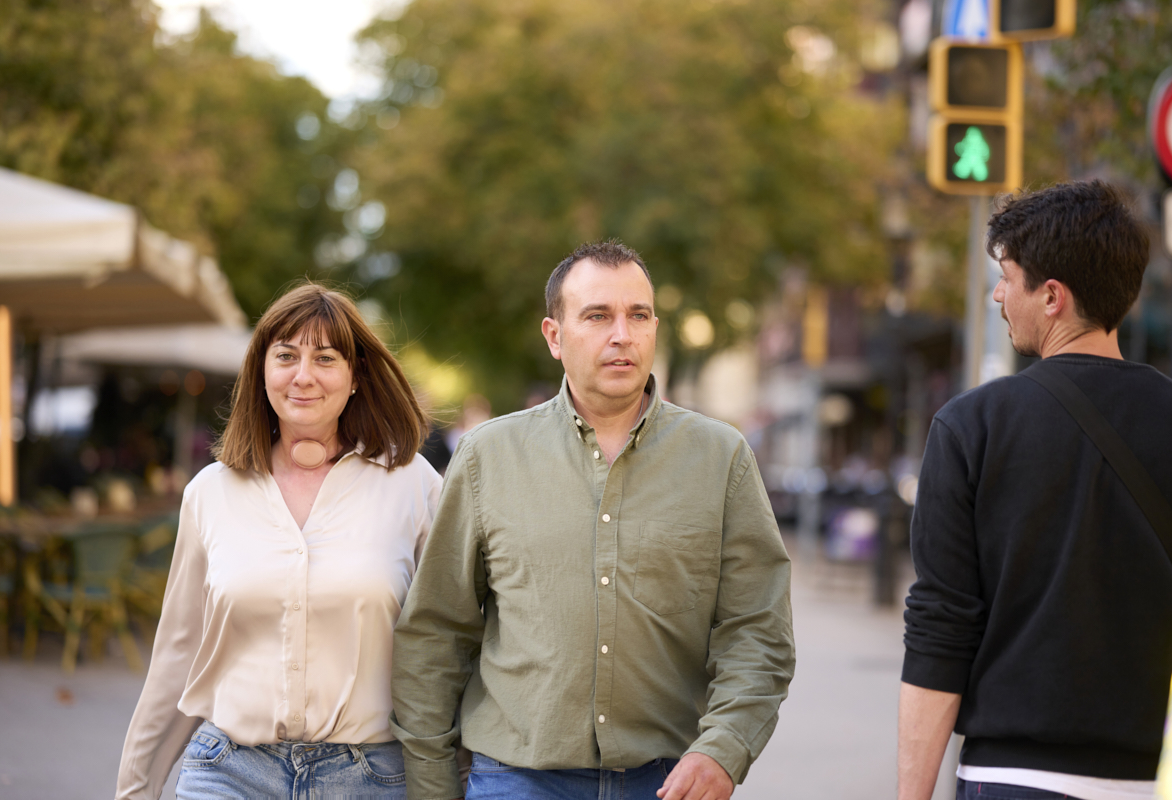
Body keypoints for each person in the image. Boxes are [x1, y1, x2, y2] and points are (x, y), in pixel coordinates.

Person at [390, 240, 795, 800]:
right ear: (554, 336)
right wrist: (433, 786)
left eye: (638, 316)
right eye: (598, 316)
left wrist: (726, 746)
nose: (622, 335)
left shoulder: (721, 458)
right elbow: (436, 633)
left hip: (669, 781)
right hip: (517, 780)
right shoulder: (488, 457)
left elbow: (758, 630)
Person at [897, 181, 1172, 800]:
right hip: (1142, 780)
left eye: (1008, 277)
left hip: (1009, 779)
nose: (998, 294)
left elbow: (941, 630)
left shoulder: (972, 426)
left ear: (1052, 296)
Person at [117, 283, 441, 799]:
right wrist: (135, 789)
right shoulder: (210, 493)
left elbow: (446, 647)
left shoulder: (413, 486)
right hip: (229, 769)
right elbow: (179, 654)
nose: (303, 376)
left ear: (355, 375)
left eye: (326, 358)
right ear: (262, 371)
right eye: (286, 355)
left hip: (370, 776)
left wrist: (455, 776)